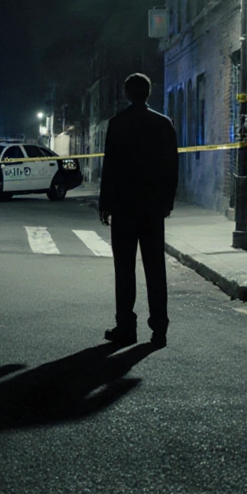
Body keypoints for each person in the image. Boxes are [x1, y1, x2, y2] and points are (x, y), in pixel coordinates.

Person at [97, 72, 179, 347]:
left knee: (125, 269)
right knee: (155, 269)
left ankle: (126, 326)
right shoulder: (163, 123)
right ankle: (159, 328)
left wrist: (105, 203)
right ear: (149, 93)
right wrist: (167, 202)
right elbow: (171, 167)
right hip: (153, 207)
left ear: (126, 93)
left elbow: (110, 167)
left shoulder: (117, 124)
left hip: (124, 206)